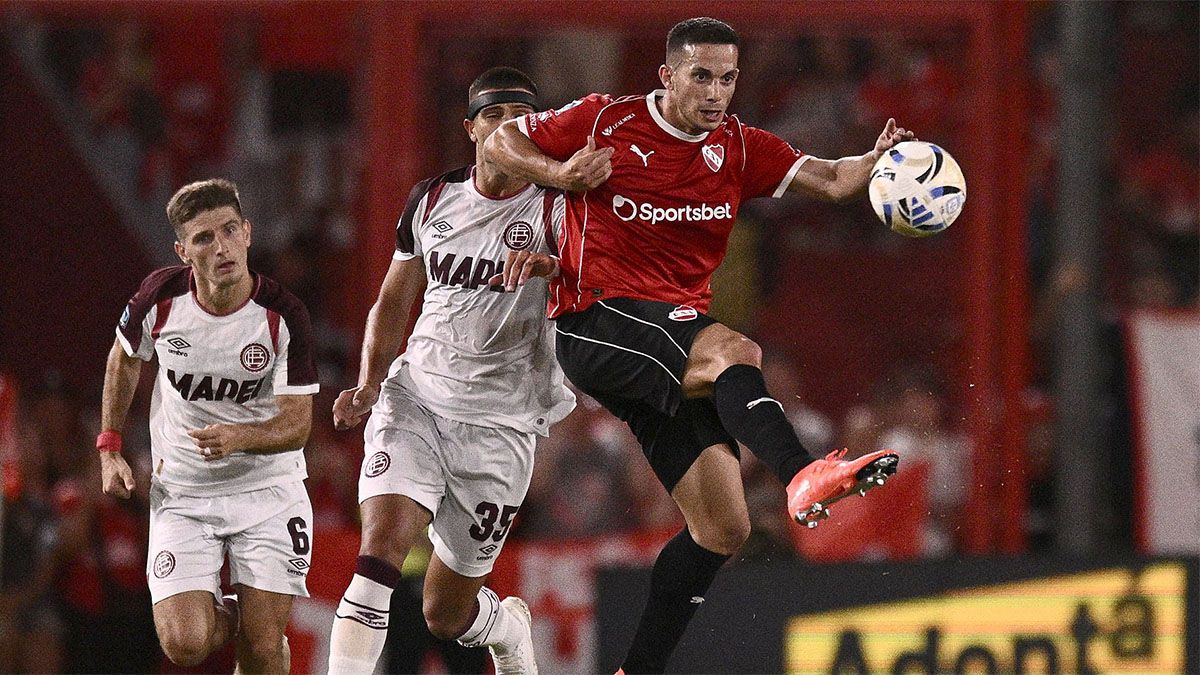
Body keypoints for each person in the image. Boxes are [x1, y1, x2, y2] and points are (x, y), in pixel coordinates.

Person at [484, 17, 912, 673]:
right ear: (668, 75)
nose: (716, 92)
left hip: (664, 341)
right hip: (595, 323)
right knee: (732, 350)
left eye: (728, 78)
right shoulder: (605, 121)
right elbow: (503, 139)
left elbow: (829, 179)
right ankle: (803, 473)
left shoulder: (739, 146)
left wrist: (875, 164)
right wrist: (559, 172)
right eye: (702, 76)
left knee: (722, 527)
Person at [326, 66, 574, 675]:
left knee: (444, 610)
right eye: (494, 116)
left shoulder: (559, 210)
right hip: (418, 399)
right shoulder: (432, 199)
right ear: (470, 129)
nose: (507, 128)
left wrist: (553, 270)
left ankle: (505, 627)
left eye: (521, 118)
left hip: (501, 425)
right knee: (380, 551)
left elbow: (602, 289)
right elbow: (393, 300)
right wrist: (367, 383)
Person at [97, 178, 319, 674]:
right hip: (183, 495)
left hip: (268, 494)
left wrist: (241, 437)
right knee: (185, 645)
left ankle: (259, 631)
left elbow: (297, 426)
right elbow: (124, 358)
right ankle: (248, 618)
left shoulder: (284, 317)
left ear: (247, 233)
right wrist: (110, 446)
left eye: (228, 231)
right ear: (183, 251)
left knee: (264, 654)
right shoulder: (160, 299)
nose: (220, 248)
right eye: (202, 238)